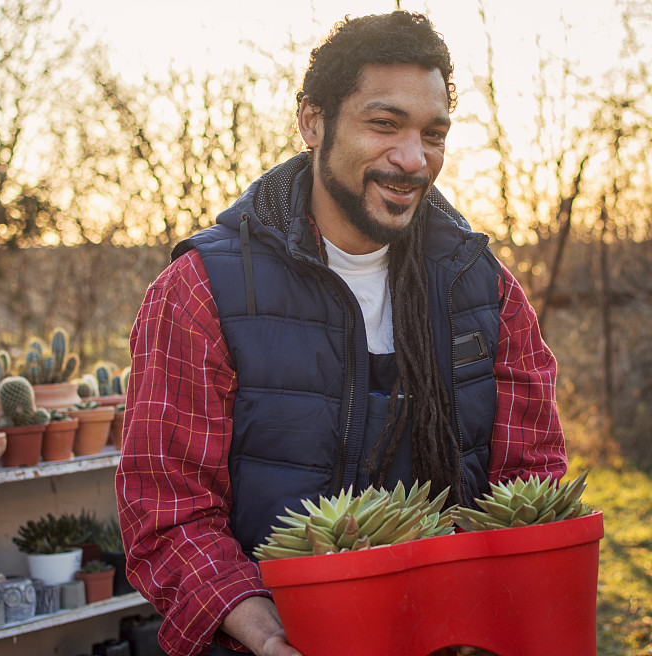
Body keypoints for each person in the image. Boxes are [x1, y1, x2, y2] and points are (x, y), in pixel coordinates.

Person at [116, 11, 567, 656]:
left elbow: (533, 478)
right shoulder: (200, 292)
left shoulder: (485, 287)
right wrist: (266, 632)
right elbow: (168, 509)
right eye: (384, 124)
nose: (413, 159)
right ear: (312, 122)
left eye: (432, 133)